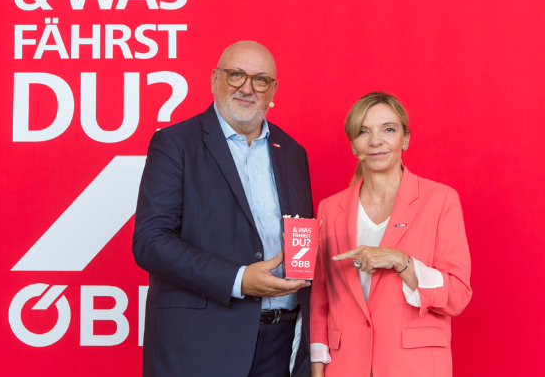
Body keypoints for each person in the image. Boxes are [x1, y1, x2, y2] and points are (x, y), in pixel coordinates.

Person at [133, 41, 313, 377]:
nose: (247, 88)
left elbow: (300, 234)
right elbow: (150, 242)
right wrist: (239, 279)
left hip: (283, 343)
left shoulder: (292, 152)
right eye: (236, 75)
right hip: (202, 345)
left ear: (273, 90)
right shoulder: (175, 143)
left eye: (260, 80)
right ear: (215, 79)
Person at [310, 92, 472, 377]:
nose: (376, 141)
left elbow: (457, 295)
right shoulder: (329, 208)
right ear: (353, 145)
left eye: (388, 129)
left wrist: (403, 262)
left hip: (415, 367)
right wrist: (316, 367)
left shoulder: (441, 200)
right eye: (363, 131)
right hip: (345, 367)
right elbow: (320, 301)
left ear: (405, 139)